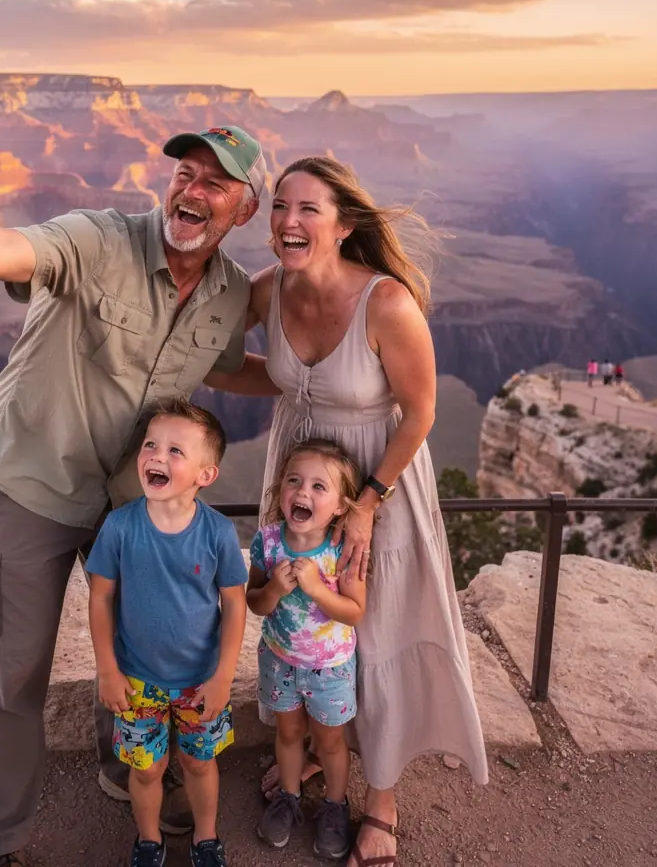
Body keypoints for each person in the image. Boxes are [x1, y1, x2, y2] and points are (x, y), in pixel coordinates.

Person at [0, 82, 267, 867]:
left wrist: (324, 382)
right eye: (185, 173)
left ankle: (129, 768)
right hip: (33, 485)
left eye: (216, 182)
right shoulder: (96, 239)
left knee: (142, 644)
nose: (193, 190)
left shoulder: (228, 292)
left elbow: (224, 368)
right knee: (12, 672)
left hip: (132, 500)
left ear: (245, 209)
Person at [207, 155, 488, 867]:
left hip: (375, 479)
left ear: (343, 224)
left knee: (377, 630)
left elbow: (420, 412)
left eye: (309, 209)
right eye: (280, 206)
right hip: (300, 474)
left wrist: (366, 504)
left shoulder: (386, 302)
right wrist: (193, 365)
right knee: (304, 616)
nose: (289, 221)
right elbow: (264, 371)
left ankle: (381, 796)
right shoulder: (269, 289)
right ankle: (311, 746)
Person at [88, 401, 247, 867]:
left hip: (201, 681)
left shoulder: (217, 533)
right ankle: (149, 840)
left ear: (205, 474)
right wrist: (107, 670)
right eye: (151, 445)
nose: (157, 455)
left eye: (176, 450)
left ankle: (206, 839)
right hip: (137, 680)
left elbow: (235, 604)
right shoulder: (120, 527)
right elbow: (100, 598)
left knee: (199, 763)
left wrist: (223, 676)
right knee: (146, 769)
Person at [247, 439, 367, 861]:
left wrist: (316, 588)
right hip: (279, 661)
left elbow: (355, 611)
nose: (303, 491)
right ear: (279, 488)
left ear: (340, 506)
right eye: (294, 481)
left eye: (319, 486)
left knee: (330, 743)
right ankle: (289, 796)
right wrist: (274, 590)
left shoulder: (341, 550)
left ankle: (335, 805)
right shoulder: (267, 542)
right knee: (288, 734)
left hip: (330, 668)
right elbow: (254, 602)